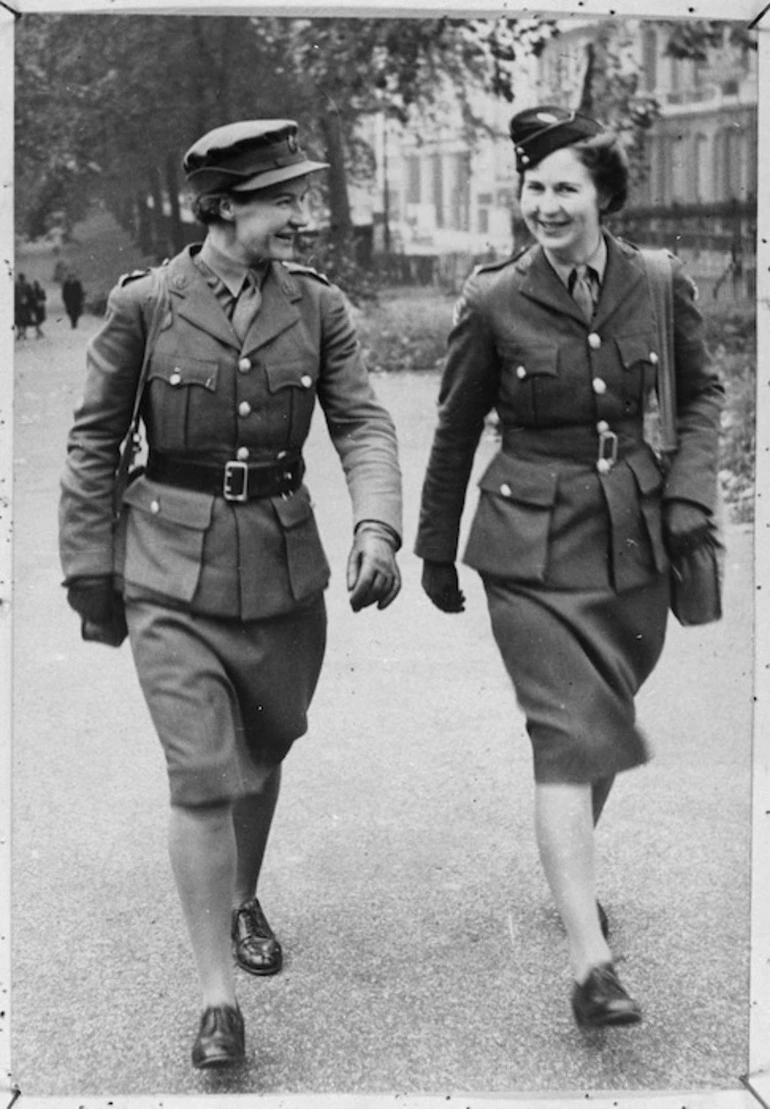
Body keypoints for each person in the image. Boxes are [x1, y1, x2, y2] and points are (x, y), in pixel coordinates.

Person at [59, 119, 403, 1068]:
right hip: (168, 565)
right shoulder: (148, 305)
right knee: (204, 772)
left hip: (284, 564)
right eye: (284, 199)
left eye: (301, 196)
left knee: (265, 745)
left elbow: (364, 423)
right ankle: (217, 998)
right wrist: (92, 569)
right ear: (223, 206)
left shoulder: (319, 308)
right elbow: (94, 441)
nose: (303, 214)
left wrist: (376, 522)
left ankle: (242, 892)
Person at [415, 105, 723, 1029]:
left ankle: (573, 880)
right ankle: (591, 962)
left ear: (606, 197)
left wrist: (690, 498)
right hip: (529, 544)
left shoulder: (659, 284)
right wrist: (434, 545)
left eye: (564, 188)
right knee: (567, 730)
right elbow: (456, 426)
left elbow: (702, 393)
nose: (545, 206)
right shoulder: (493, 299)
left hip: (636, 536)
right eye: (533, 188)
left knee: (606, 720)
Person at [14, 272, 34, 339]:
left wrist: (28, 300)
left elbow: (31, 295)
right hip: (18, 306)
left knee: (25, 320)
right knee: (18, 320)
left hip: (25, 306)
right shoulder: (16, 285)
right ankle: (20, 332)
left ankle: (23, 333)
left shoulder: (27, 285)